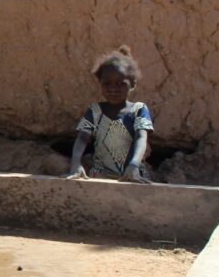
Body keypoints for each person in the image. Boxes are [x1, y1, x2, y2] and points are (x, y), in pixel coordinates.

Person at [64, 47, 153, 182]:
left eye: (120, 84)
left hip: (132, 176)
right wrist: (75, 164)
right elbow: (82, 138)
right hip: (100, 176)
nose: (113, 89)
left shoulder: (138, 110)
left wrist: (134, 165)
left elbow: (141, 138)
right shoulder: (95, 111)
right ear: (100, 83)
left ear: (133, 84)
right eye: (107, 84)